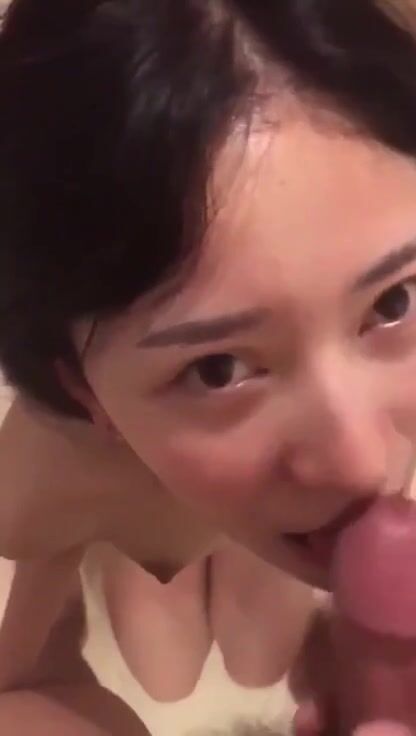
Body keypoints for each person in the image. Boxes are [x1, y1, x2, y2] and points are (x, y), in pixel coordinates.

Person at [0, 0, 416, 732]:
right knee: (162, 674)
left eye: (393, 302)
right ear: (84, 391)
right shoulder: (50, 473)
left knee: (256, 661)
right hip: (122, 479)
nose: (362, 463)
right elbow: (19, 668)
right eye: (217, 369)